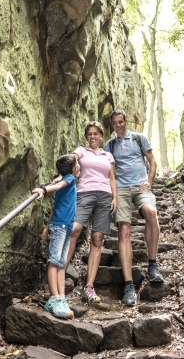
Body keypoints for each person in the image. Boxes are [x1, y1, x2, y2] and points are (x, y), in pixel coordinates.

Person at [104, 109, 164, 307]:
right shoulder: (110, 145)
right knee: (124, 229)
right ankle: (129, 285)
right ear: (111, 125)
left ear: (125, 121)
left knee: (151, 212)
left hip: (140, 186)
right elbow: (108, 171)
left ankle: (153, 264)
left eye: (121, 122)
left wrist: (150, 181)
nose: (118, 125)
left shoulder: (139, 138)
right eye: (115, 123)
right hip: (121, 188)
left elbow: (152, 160)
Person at [66, 121, 117, 304]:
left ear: (101, 136)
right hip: (84, 194)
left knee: (97, 239)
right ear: (86, 137)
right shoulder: (81, 151)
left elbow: (111, 177)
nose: (93, 137)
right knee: (74, 229)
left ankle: (89, 287)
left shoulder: (108, 155)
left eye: (96, 133)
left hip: (105, 196)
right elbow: (72, 159)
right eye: (90, 134)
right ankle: (61, 272)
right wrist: (73, 165)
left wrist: (115, 198)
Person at [32, 154, 79, 319]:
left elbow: (56, 204)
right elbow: (58, 186)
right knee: (54, 261)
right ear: (73, 169)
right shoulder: (70, 179)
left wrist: (46, 228)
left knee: (61, 263)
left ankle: (61, 297)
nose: (79, 166)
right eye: (77, 164)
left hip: (65, 227)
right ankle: (54, 298)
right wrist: (44, 190)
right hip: (60, 227)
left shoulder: (65, 180)